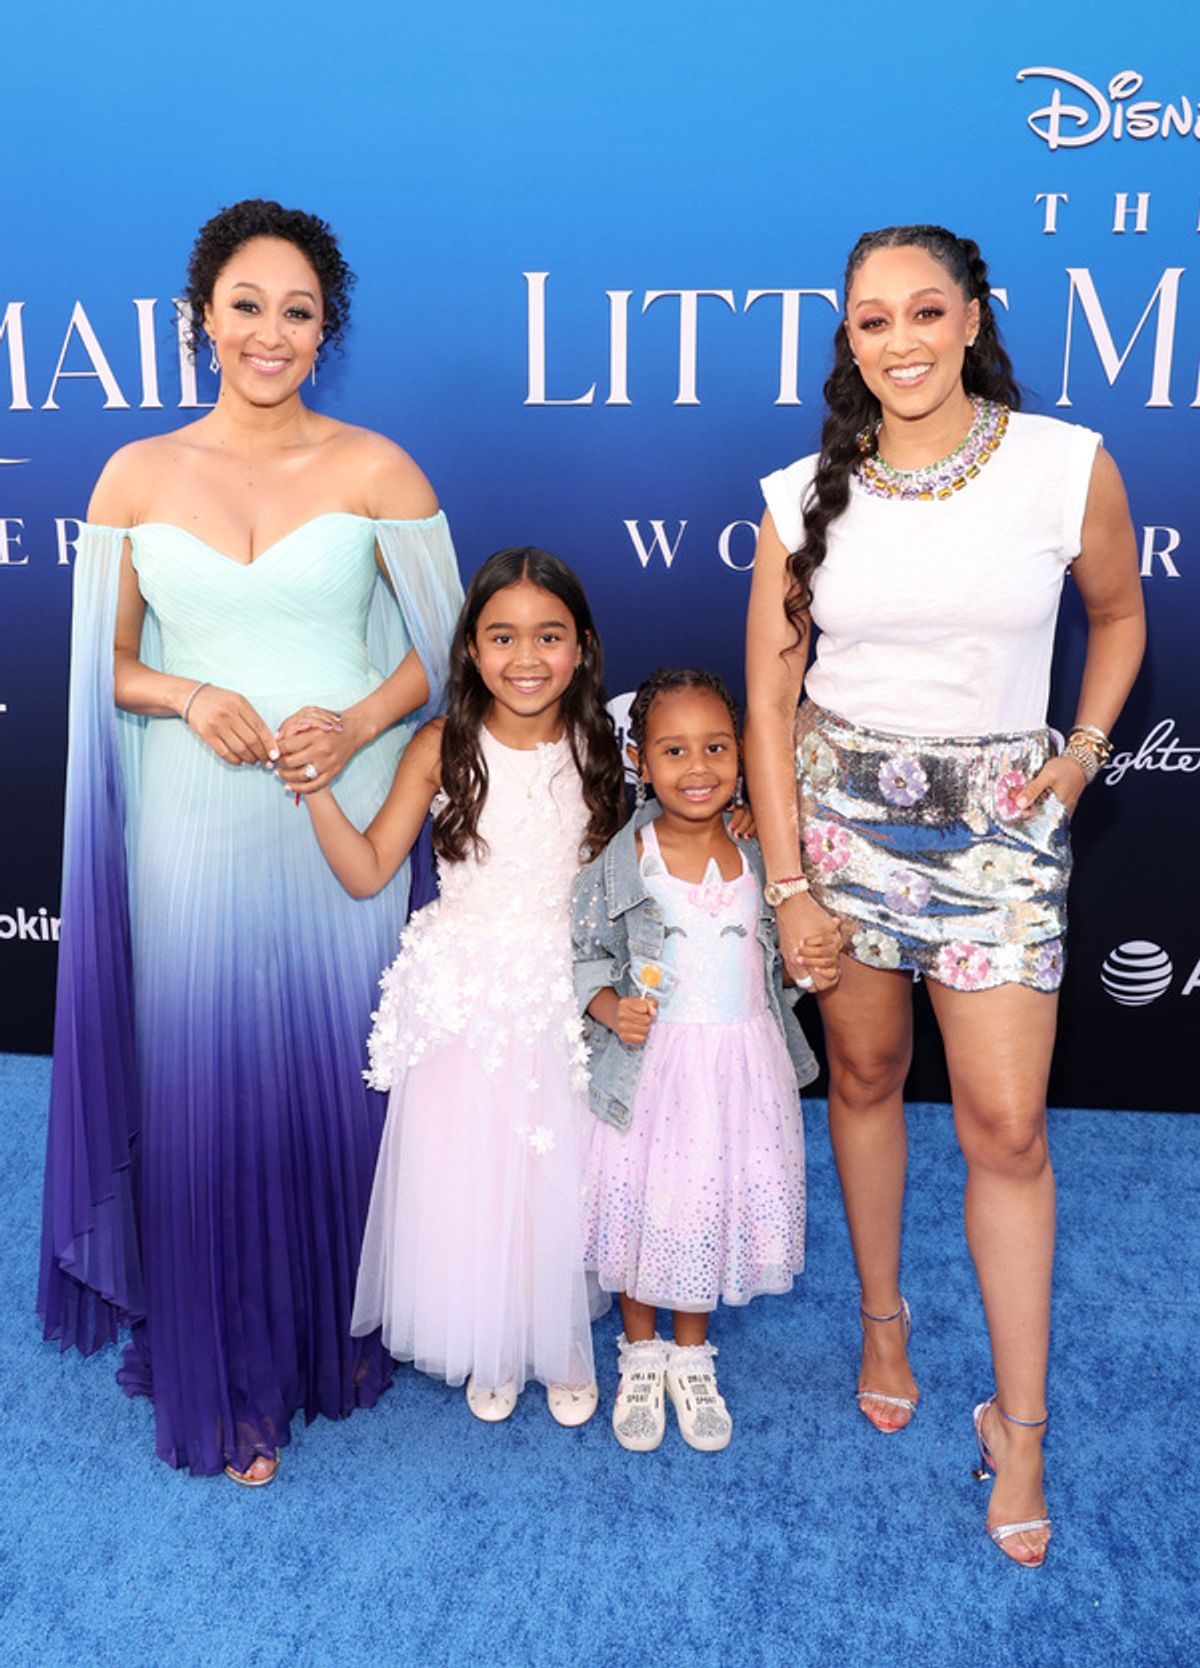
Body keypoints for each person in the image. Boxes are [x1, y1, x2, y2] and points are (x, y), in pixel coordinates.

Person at [39, 199, 464, 1484]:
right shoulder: (133, 475)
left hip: (343, 803)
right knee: (204, 1078)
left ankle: (329, 1333)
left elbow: (453, 653)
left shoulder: (380, 469)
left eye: (298, 312)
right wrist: (188, 692)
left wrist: (353, 724)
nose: (270, 333)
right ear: (201, 319)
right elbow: (104, 667)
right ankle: (226, 1370)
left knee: (342, 1062)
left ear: (324, 334)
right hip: (192, 813)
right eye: (246, 306)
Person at [744, 225, 1144, 1562]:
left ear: (972, 318)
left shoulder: (1064, 465)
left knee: (1009, 1129)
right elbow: (766, 699)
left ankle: (1017, 1427)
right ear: (847, 338)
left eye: (927, 312)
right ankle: (881, 1317)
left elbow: (1122, 614)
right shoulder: (804, 492)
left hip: (1000, 840)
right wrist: (791, 880)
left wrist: (1081, 756)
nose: (902, 342)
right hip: (842, 830)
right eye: (873, 321)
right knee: (861, 1078)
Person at [304, 547, 624, 1426]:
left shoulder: (603, 746)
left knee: (559, 1167)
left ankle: (556, 1338)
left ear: (584, 648)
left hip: (561, 993)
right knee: (471, 1169)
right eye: (503, 637)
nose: (527, 658)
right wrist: (320, 794)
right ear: (472, 651)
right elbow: (371, 869)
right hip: (462, 994)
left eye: (549, 636)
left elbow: (651, 854)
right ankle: (488, 1336)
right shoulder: (441, 747)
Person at [572, 668, 836, 1452]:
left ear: (745, 754)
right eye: (675, 750)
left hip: (737, 1071)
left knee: (705, 1204)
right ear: (641, 762)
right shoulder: (625, 864)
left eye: (717, 748)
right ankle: (640, 1354)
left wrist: (814, 957)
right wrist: (608, 1007)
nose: (698, 768)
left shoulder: (764, 859)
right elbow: (584, 952)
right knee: (646, 1208)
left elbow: (790, 957)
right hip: (651, 1074)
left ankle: (692, 1354)